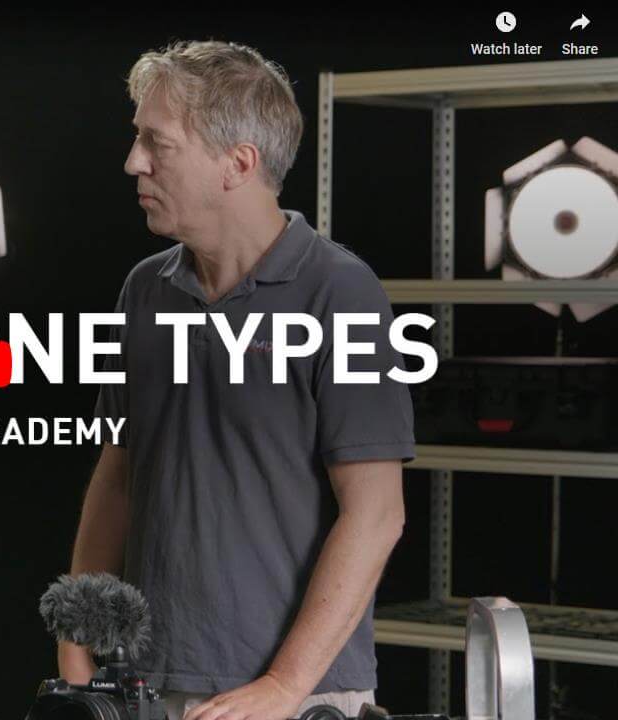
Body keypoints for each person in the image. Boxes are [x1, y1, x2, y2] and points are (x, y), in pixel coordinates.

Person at [58, 41, 414, 720]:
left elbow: (376, 515)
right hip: (146, 684)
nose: (134, 161)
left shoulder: (339, 291)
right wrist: (79, 645)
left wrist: (282, 687)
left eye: (157, 142)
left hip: (296, 695)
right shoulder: (145, 289)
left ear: (238, 163)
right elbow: (120, 473)